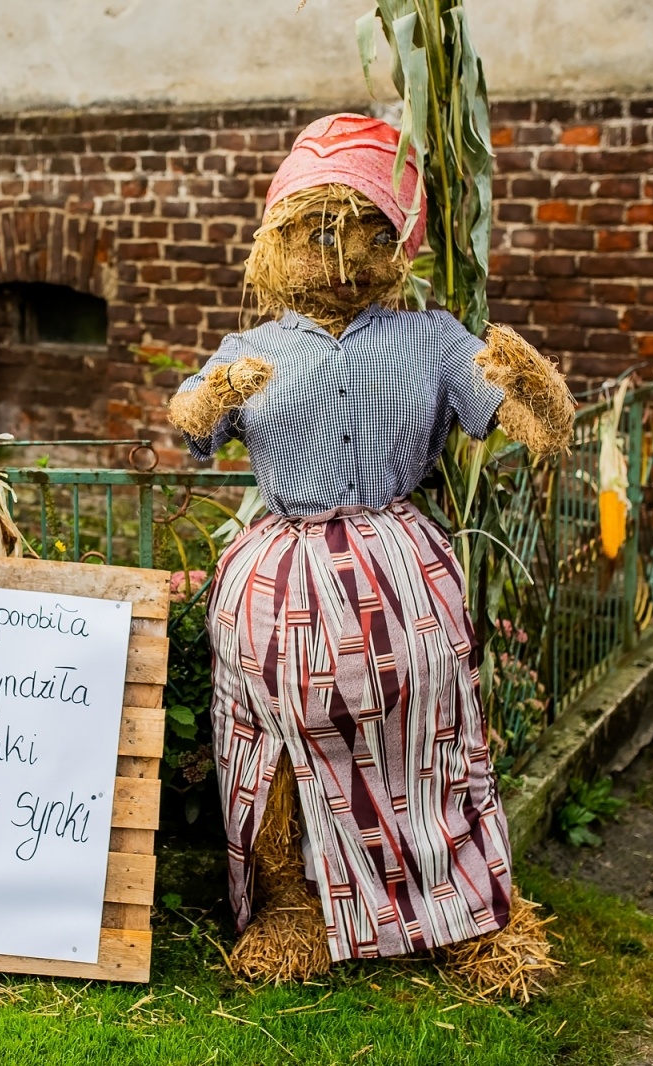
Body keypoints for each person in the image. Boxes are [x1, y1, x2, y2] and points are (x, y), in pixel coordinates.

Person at [169, 113, 574, 982]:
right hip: (282, 572)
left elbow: (532, 427)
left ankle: (461, 911)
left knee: (427, 727)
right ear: (276, 241)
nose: (340, 251)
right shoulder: (251, 347)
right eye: (314, 230)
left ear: (395, 244)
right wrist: (217, 392)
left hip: (398, 567)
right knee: (278, 736)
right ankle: (294, 904)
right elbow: (190, 418)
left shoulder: (432, 337)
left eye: (364, 228)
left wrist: (537, 389)